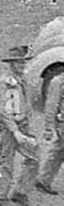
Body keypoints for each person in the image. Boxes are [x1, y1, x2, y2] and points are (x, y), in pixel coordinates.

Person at [0, 45, 39, 206]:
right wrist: (15, 131)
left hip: (23, 125)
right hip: (10, 129)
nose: (22, 65)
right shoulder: (4, 83)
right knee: (7, 162)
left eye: (23, 61)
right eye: (18, 62)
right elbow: (4, 111)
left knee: (33, 159)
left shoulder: (22, 80)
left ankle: (20, 192)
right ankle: (1, 195)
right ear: (10, 64)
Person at [36, 64, 64, 196]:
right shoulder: (58, 82)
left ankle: (43, 180)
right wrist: (48, 127)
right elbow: (51, 105)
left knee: (58, 151)